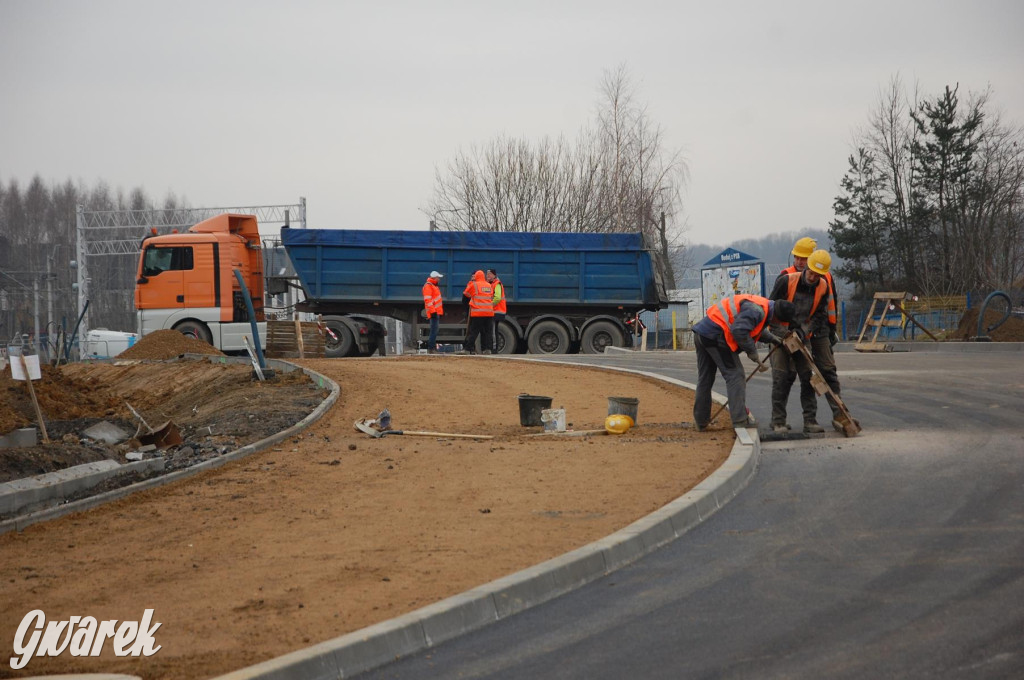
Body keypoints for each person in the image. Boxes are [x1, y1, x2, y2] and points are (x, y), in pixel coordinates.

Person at [691, 294, 795, 430]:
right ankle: (740, 420)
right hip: (716, 337)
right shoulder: (757, 311)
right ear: (777, 317)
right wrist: (752, 352)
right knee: (735, 375)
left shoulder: (762, 306)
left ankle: (701, 420)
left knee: (705, 378)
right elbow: (739, 330)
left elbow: (753, 328)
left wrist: (773, 339)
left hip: (702, 333)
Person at [768, 249, 843, 433]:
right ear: (806, 267)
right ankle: (778, 421)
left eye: (817, 275)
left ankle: (810, 421)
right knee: (781, 378)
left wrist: (803, 331)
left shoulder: (823, 286)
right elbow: (770, 309)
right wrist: (783, 333)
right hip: (780, 335)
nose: (812, 277)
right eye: (810, 273)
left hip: (802, 337)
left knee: (808, 378)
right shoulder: (787, 281)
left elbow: (819, 316)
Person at [462, 270, 494, 354]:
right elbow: (491, 296)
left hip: (478, 312)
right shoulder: (489, 285)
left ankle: (468, 348)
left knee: (474, 331)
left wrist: (472, 299)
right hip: (489, 313)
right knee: (487, 332)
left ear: (476, 277)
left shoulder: (474, 285)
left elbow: (465, 294)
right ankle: (487, 349)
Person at [422, 270, 444, 353]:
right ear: (435, 278)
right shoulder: (429, 286)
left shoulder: (432, 286)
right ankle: (431, 348)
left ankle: (432, 347)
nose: (439, 279)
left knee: (434, 330)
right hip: (434, 312)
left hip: (435, 311)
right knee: (434, 330)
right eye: (438, 277)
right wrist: (433, 312)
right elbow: (428, 300)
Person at [485, 268, 505, 352]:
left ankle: (494, 348)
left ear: (494, 275)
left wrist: (489, 305)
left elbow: (497, 298)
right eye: (487, 274)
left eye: (489, 274)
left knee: (492, 330)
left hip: (496, 311)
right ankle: (493, 347)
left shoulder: (497, 284)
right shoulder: (492, 284)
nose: (487, 276)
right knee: (493, 330)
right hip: (495, 310)